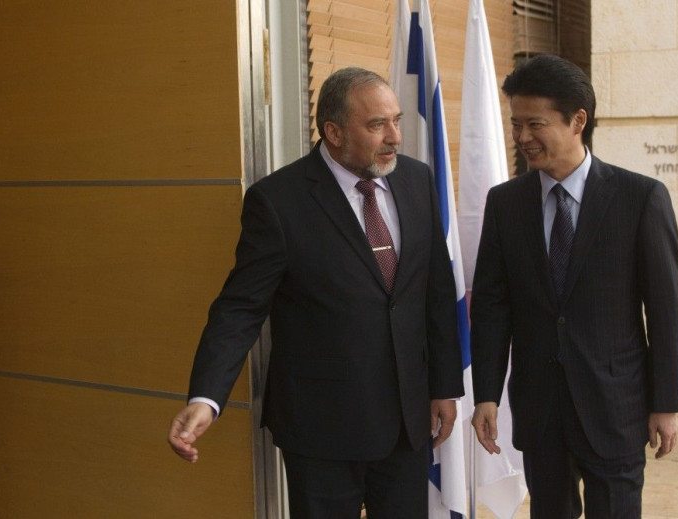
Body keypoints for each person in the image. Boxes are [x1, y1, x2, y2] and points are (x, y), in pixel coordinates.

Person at [167, 67, 464, 519]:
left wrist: (444, 385)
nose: (395, 138)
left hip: (407, 423)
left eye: (397, 120)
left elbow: (436, 290)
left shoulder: (416, 180)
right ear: (334, 132)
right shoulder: (278, 201)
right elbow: (240, 308)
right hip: (321, 430)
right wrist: (205, 397)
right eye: (376, 125)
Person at [469, 54, 678, 518]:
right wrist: (486, 392)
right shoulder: (505, 203)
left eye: (535, 124)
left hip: (615, 407)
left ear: (577, 121)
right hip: (540, 409)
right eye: (515, 124)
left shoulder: (640, 198)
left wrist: (666, 404)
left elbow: (664, 311)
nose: (522, 137)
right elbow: (491, 305)